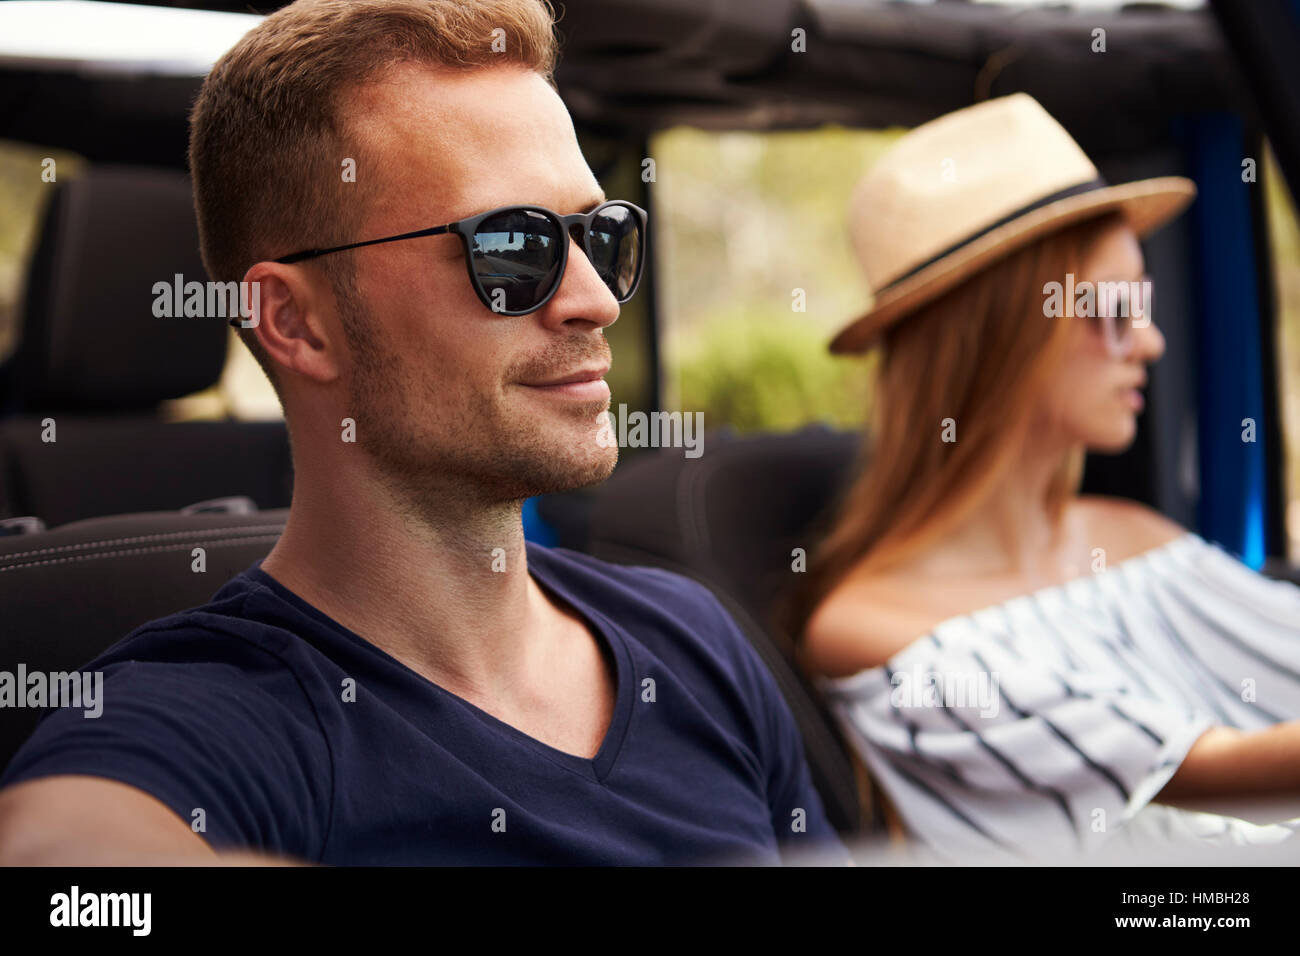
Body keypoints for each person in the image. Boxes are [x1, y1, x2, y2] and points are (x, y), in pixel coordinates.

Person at [0, 0, 844, 866]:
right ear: (295, 321)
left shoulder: (692, 637)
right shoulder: (224, 712)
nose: (595, 298)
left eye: (602, 235)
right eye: (512, 249)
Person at [792, 93, 1300, 862]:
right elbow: (1220, 775)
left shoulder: (1131, 536)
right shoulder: (876, 630)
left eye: (1146, 304)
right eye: (1117, 310)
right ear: (1005, 331)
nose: (1152, 342)